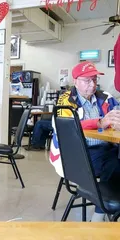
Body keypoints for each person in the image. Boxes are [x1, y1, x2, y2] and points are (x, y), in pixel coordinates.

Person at [50, 61, 120, 222]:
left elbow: (116, 114)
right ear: (75, 81)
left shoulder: (105, 98)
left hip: (106, 148)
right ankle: (100, 213)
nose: (92, 84)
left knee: (116, 159)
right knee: (115, 163)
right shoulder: (66, 100)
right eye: (87, 80)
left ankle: (108, 207)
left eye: (94, 79)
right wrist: (99, 123)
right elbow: (66, 128)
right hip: (76, 155)